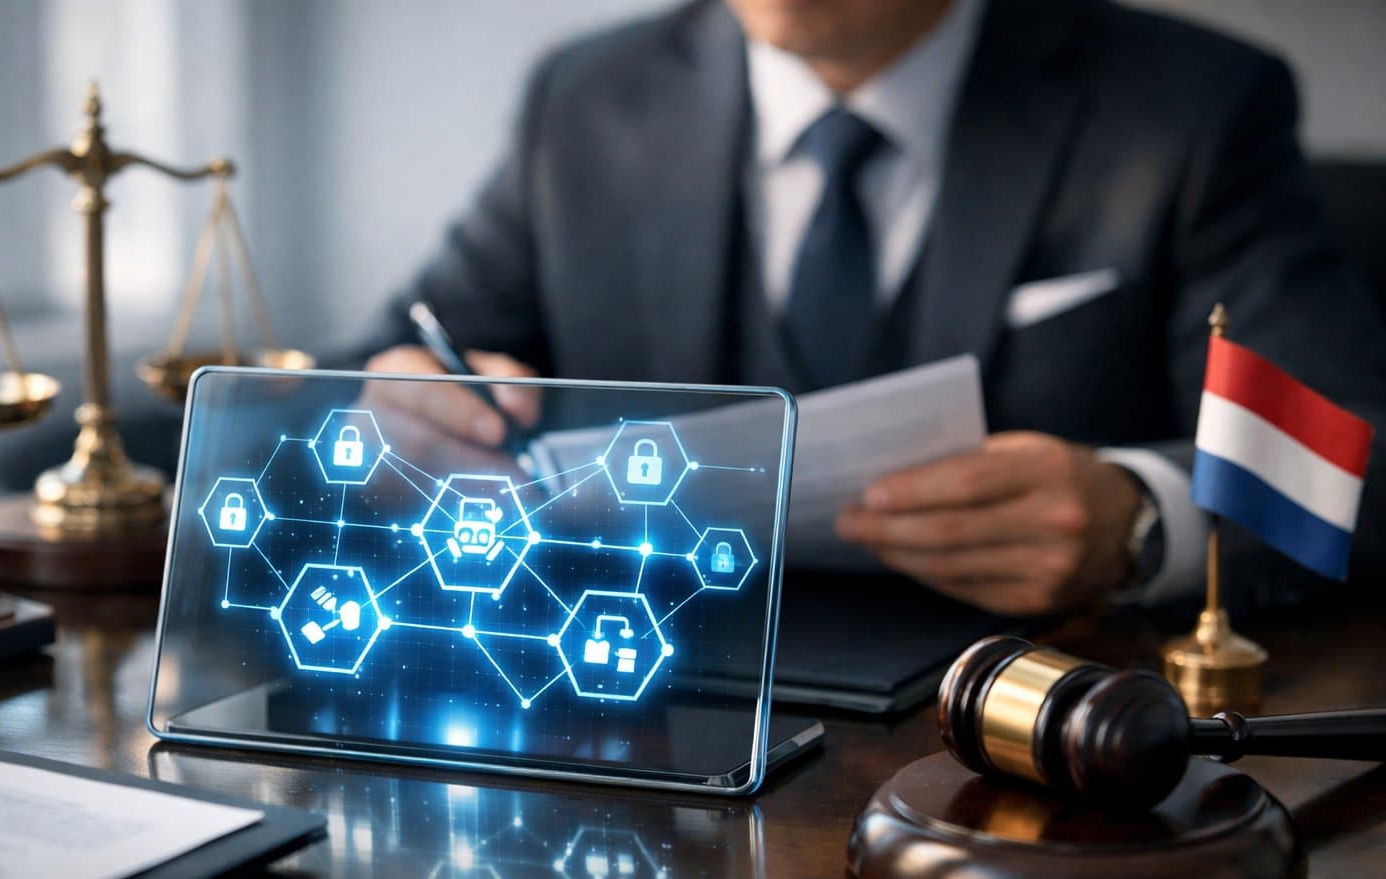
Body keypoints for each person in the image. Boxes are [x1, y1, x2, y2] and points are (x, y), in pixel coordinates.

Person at [352, 0, 1386, 615]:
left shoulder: (1191, 104)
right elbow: (374, 365)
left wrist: (1141, 518)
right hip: (645, 726)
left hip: (1034, 770)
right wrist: (396, 413)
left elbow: (1354, 459)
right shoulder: (586, 100)